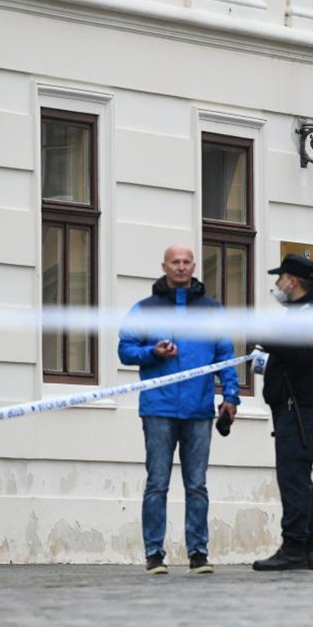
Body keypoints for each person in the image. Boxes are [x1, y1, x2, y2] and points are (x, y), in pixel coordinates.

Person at [117, 244, 240, 576]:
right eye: (176, 262)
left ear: (194, 266)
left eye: (187, 262)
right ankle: (154, 554)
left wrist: (231, 394)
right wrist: (153, 353)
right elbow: (125, 350)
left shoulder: (212, 310)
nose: (181, 267)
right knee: (157, 483)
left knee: (197, 484)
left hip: (199, 410)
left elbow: (226, 355)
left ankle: (198, 554)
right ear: (164, 266)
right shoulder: (144, 309)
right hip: (158, 408)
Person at [251, 253, 313, 572]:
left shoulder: (311, 315)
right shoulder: (299, 313)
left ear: (293, 281)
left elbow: (309, 354)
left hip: (297, 404)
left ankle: (295, 544)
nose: (276, 283)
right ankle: (305, 545)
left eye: (280, 277)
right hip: (291, 402)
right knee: (298, 474)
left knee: (293, 475)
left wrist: (269, 340)